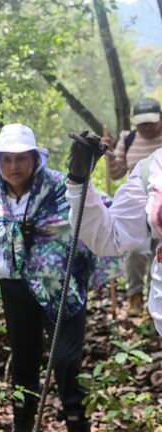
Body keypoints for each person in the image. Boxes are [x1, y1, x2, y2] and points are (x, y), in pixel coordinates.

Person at [0, 124, 119, 432]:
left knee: (66, 361)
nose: (14, 166)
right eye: (7, 159)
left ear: (35, 159)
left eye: (21, 158)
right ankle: (23, 424)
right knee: (24, 363)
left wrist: (83, 179)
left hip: (59, 288)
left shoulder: (62, 186)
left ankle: (77, 422)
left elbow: (94, 215)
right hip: (15, 289)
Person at [66, 130, 162, 337]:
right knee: (138, 255)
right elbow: (110, 237)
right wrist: (78, 179)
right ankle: (135, 297)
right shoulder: (152, 169)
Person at [106, 97, 162, 313]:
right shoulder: (128, 139)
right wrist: (110, 153)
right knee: (136, 251)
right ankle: (135, 297)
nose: (146, 127)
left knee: (157, 256)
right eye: (141, 123)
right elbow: (117, 172)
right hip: (136, 205)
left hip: (159, 206)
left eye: (150, 122)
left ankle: (154, 303)